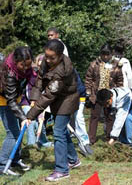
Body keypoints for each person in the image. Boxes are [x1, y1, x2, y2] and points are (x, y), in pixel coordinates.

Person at [26, 39, 80, 182]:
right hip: (58, 101)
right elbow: (40, 80)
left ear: (60, 55)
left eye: (52, 58)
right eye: (46, 56)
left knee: (58, 133)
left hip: (67, 101)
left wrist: (30, 115)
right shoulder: (47, 61)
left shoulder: (62, 72)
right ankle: (73, 160)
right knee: (62, 132)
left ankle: (62, 170)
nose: (48, 60)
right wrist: (33, 98)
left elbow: (48, 96)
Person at [0, 46, 32, 175]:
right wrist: (23, 117)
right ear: (15, 61)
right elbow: (10, 100)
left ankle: (14, 160)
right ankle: (2, 165)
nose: (25, 69)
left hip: (15, 100)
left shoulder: (24, 69)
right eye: (22, 65)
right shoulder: (9, 73)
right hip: (5, 102)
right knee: (12, 133)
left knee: (19, 131)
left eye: (28, 65)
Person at [85, 44, 123, 144]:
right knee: (94, 116)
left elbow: (119, 80)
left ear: (111, 54)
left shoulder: (116, 65)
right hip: (96, 94)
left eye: (108, 54)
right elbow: (88, 79)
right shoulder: (94, 64)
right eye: (103, 54)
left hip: (110, 94)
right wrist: (88, 92)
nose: (105, 57)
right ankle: (91, 139)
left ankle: (109, 138)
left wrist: (118, 93)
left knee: (109, 117)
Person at [20, 54, 53, 148]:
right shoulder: (32, 74)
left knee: (41, 121)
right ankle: (31, 143)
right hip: (26, 101)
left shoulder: (47, 74)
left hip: (39, 101)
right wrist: (33, 104)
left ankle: (43, 141)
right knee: (31, 121)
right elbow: (29, 90)